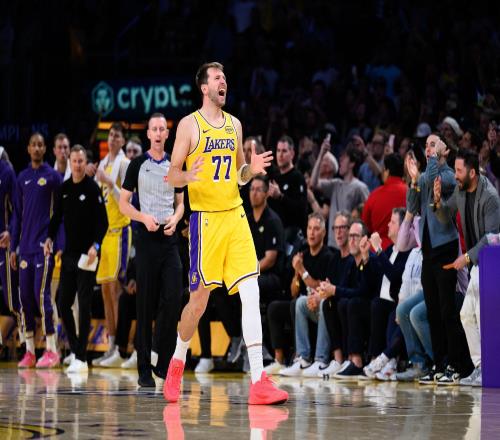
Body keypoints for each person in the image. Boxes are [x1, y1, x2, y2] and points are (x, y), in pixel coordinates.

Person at [163, 62, 288, 405]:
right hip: (206, 222)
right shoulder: (189, 125)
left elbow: (239, 175)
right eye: (217, 78)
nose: (224, 82)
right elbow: (171, 175)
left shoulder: (235, 125)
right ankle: (177, 361)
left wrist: (251, 170)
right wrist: (187, 176)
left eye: (225, 78)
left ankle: (259, 379)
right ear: (204, 87)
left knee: (251, 291)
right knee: (198, 303)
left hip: (235, 216)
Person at [119, 113, 185, 387]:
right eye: (154, 129)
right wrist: (142, 217)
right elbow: (124, 204)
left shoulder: (175, 165)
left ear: (167, 134)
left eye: (162, 129)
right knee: (144, 306)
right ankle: (144, 368)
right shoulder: (137, 165)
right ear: (148, 134)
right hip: (146, 240)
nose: (158, 133)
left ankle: (161, 359)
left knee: (174, 298)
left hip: (169, 240)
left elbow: (181, 204)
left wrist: (176, 219)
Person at [406, 134, 474, 384]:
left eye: (433, 145)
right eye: (426, 146)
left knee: (447, 311)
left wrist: (429, 164)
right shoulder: (425, 176)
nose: (428, 149)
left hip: (445, 248)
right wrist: (413, 182)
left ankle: (456, 365)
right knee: (433, 310)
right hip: (428, 251)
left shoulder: (448, 175)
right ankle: (439, 363)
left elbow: (434, 179)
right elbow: (412, 206)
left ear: (445, 151)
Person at [434, 149, 500, 386]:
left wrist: (467, 257)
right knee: (465, 314)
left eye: (459, 171)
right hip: (477, 264)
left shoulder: (490, 197)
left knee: (482, 316)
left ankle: (489, 368)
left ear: (472, 172)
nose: (455, 175)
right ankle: (480, 367)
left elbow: (492, 237)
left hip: (492, 263)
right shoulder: (460, 191)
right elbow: (444, 216)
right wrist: (437, 201)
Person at [44, 145, 108, 373]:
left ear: (85, 162)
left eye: (81, 161)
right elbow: (56, 218)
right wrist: (50, 238)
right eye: (75, 161)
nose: (78, 165)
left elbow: (103, 222)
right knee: (63, 304)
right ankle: (75, 350)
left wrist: (96, 246)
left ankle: (81, 358)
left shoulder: (92, 188)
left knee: (84, 304)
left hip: (88, 256)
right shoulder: (64, 189)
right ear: (70, 162)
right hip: (70, 255)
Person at [10, 133, 62, 368]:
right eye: (34, 145)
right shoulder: (21, 178)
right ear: (28, 149)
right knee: (24, 298)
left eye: (41, 145)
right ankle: (29, 350)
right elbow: (17, 216)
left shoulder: (53, 177)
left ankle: (51, 349)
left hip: (44, 248)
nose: (37, 148)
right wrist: (14, 247)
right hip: (25, 248)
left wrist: (56, 242)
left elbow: (59, 215)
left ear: (45, 148)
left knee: (42, 296)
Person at [92, 122, 131, 366]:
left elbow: (128, 201)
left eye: (117, 135)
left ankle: (119, 348)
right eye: (111, 135)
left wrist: (108, 182)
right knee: (106, 291)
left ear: (123, 141)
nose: (113, 138)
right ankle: (111, 344)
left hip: (120, 232)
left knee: (116, 290)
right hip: (104, 235)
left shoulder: (124, 164)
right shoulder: (103, 164)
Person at [0, 147, 24, 350]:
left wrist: (10, 232)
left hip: (4, 244)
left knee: (11, 298)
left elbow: (17, 208)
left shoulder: (7, 171)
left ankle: (27, 340)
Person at [362, 153, 407, 249]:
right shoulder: (410, 193)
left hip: (377, 249)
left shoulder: (374, 195)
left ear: (387, 171)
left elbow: (365, 225)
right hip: (405, 249)